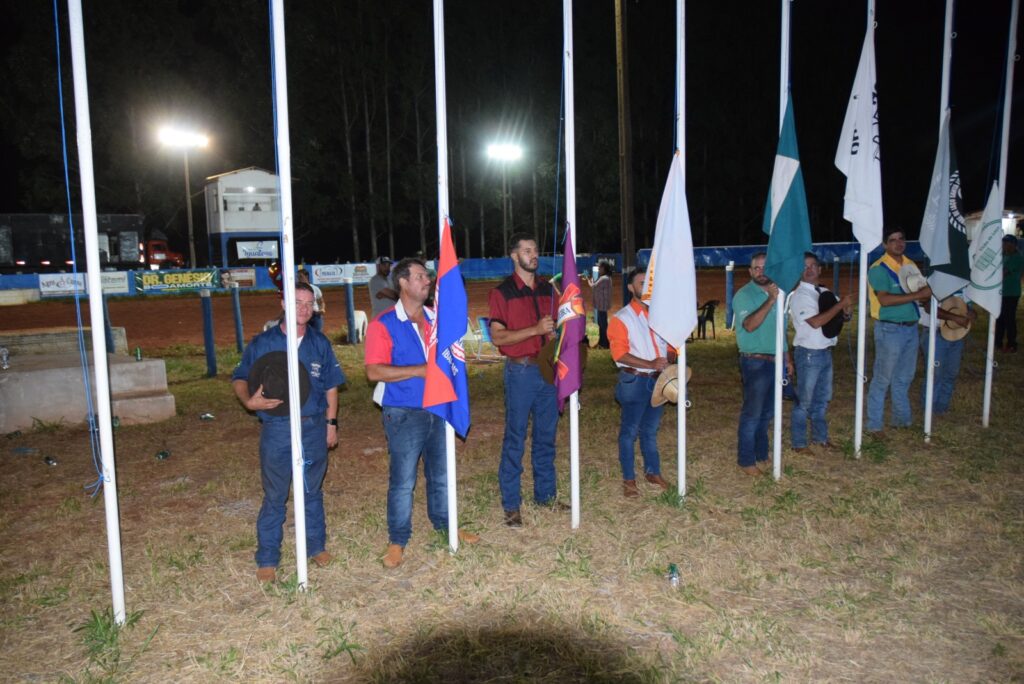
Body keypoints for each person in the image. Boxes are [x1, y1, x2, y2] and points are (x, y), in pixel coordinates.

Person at [364, 258, 480, 569]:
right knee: (403, 481)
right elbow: (374, 371)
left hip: (439, 408)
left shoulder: (436, 319)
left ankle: (446, 525)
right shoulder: (383, 324)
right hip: (403, 412)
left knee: (441, 476)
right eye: (419, 276)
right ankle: (398, 539)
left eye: (427, 276)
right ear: (402, 283)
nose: (427, 280)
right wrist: (420, 370)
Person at [231, 283, 345, 583]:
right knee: (275, 495)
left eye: (309, 303)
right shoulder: (263, 343)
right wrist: (248, 400)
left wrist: (331, 424)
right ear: (283, 303)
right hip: (278, 428)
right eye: (297, 302)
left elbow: (331, 386)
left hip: (312, 425)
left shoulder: (319, 343)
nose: (305, 308)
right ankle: (267, 558)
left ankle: (316, 547)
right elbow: (240, 377)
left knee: (311, 490)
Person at [488, 233, 564, 526]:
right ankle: (511, 505)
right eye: (527, 250)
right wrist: (534, 329)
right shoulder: (502, 292)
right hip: (519, 372)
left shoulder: (549, 289)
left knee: (546, 438)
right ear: (514, 256)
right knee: (516, 438)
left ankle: (546, 497)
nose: (534, 255)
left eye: (536, 250)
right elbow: (498, 336)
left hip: (547, 370)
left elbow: (561, 326)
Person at [608, 268, 673, 496]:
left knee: (650, 430)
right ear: (630, 288)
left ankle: (652, 471)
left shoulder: (661, 317)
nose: (646, 287)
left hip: (659, 382)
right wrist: (651, 364)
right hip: (634, 382)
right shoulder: (622, 319)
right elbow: (619, 355)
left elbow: (671, 348)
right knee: (629, 431)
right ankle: (629, 480)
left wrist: (670, 361)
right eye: (641, 282)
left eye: (650, 283)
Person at [866, 228, 933, 435]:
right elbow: (884, 300)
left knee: (904, 377)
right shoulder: (879, 269)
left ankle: (902, 420)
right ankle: (874, 424)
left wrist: (925, 296)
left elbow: (920, 293)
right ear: (885, 245)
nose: (898, 243)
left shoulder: (910, 265)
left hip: (911, 328)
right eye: (892, 240)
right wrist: (918, 295)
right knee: (882, 378)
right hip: (890, 329)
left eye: (901, 239)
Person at [733, 252, 792, 476]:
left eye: (764, 267)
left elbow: (781, 330)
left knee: (767, 413)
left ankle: (761, 453)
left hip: (776, 360)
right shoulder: (744, 295)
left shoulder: (780, 292)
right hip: (755, 362)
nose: (760, 272)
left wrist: (787, 357)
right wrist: (770, 299)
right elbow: (749, 325)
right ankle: (746, 461)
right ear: (750, 272)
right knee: (752, 413)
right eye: (756, 268)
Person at [789, 252, 852, 453]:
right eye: (805, 267)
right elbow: (816, 322)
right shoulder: (800, 296)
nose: (809, 270)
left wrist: (846, 313)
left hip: (824, 351)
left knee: (822, 399)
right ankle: (799, 443)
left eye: (812, 266)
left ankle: (820, 438)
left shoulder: (824, 291)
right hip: (809, 353)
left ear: (819, 268)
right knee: (805, 402)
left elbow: (837, 317)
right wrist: (840, 305)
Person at [918, 293, 976, 415]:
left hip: (955, 333)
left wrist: (971, 314)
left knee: (950, 373)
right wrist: (955, 318)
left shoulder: (962, 286)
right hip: (935, 333)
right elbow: (929, 307)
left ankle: (941, 407)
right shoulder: (931, 281)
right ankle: (929, 409)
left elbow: (968, 307)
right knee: (935, 374)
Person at [997, 234, 1021, 353]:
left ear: (1013, 244)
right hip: (1002, 293)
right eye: (1003, 243)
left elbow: (1003, 272)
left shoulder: (1017, 257)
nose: (1004, 245)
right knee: (1000, 318)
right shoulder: (1003, 255)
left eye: (1006, 243)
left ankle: (1012, 344)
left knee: (1009, 319)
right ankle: (998, 343)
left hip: (1011, 293)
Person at [586, 262, 613, 349]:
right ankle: (603, 342)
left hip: (602, 305)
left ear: (604, 269)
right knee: (602, 324)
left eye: (600, 268)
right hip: (602, 305)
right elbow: (595, 285)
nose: (599, 270)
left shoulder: (604, 279)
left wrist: (588, 279)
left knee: (603, 325)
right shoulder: (605, 278)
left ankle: (604, 343)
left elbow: (593, 286)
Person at [297, 268, 326, 333]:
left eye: (300, 276)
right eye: (297, 276)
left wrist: (322, 309)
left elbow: (321, 302)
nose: (298, 278)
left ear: (306, 276)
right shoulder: (296, 290)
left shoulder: (315, 288)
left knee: (317, 335)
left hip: (315, 316)